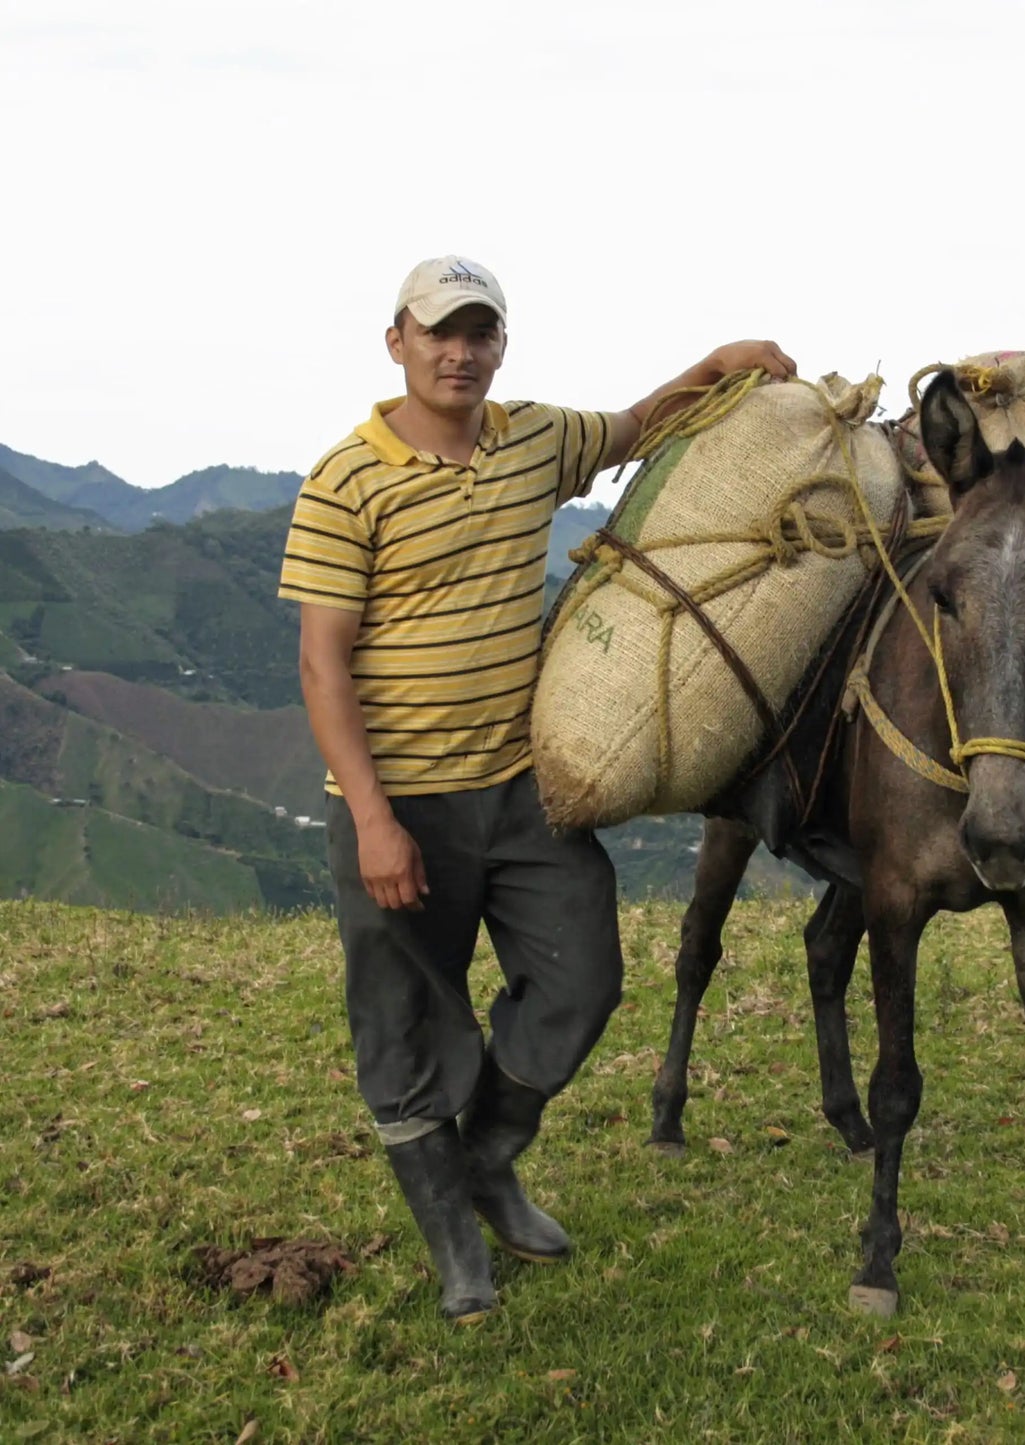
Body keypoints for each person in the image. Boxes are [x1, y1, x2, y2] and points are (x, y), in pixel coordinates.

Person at [278, 254, 795, 1322]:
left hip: (519, 787)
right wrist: (373, 819)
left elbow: (637, 424)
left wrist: (722, 361)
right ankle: (453, 1239)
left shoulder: (530, 439)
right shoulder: (346, 479)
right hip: (398, 800)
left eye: (479, 333)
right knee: (407, 1025)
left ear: (500, 345)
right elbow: (323, 663)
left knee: (582, 976)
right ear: (397, 343)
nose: (459, 352)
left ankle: (489, 1157)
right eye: (438, 333)